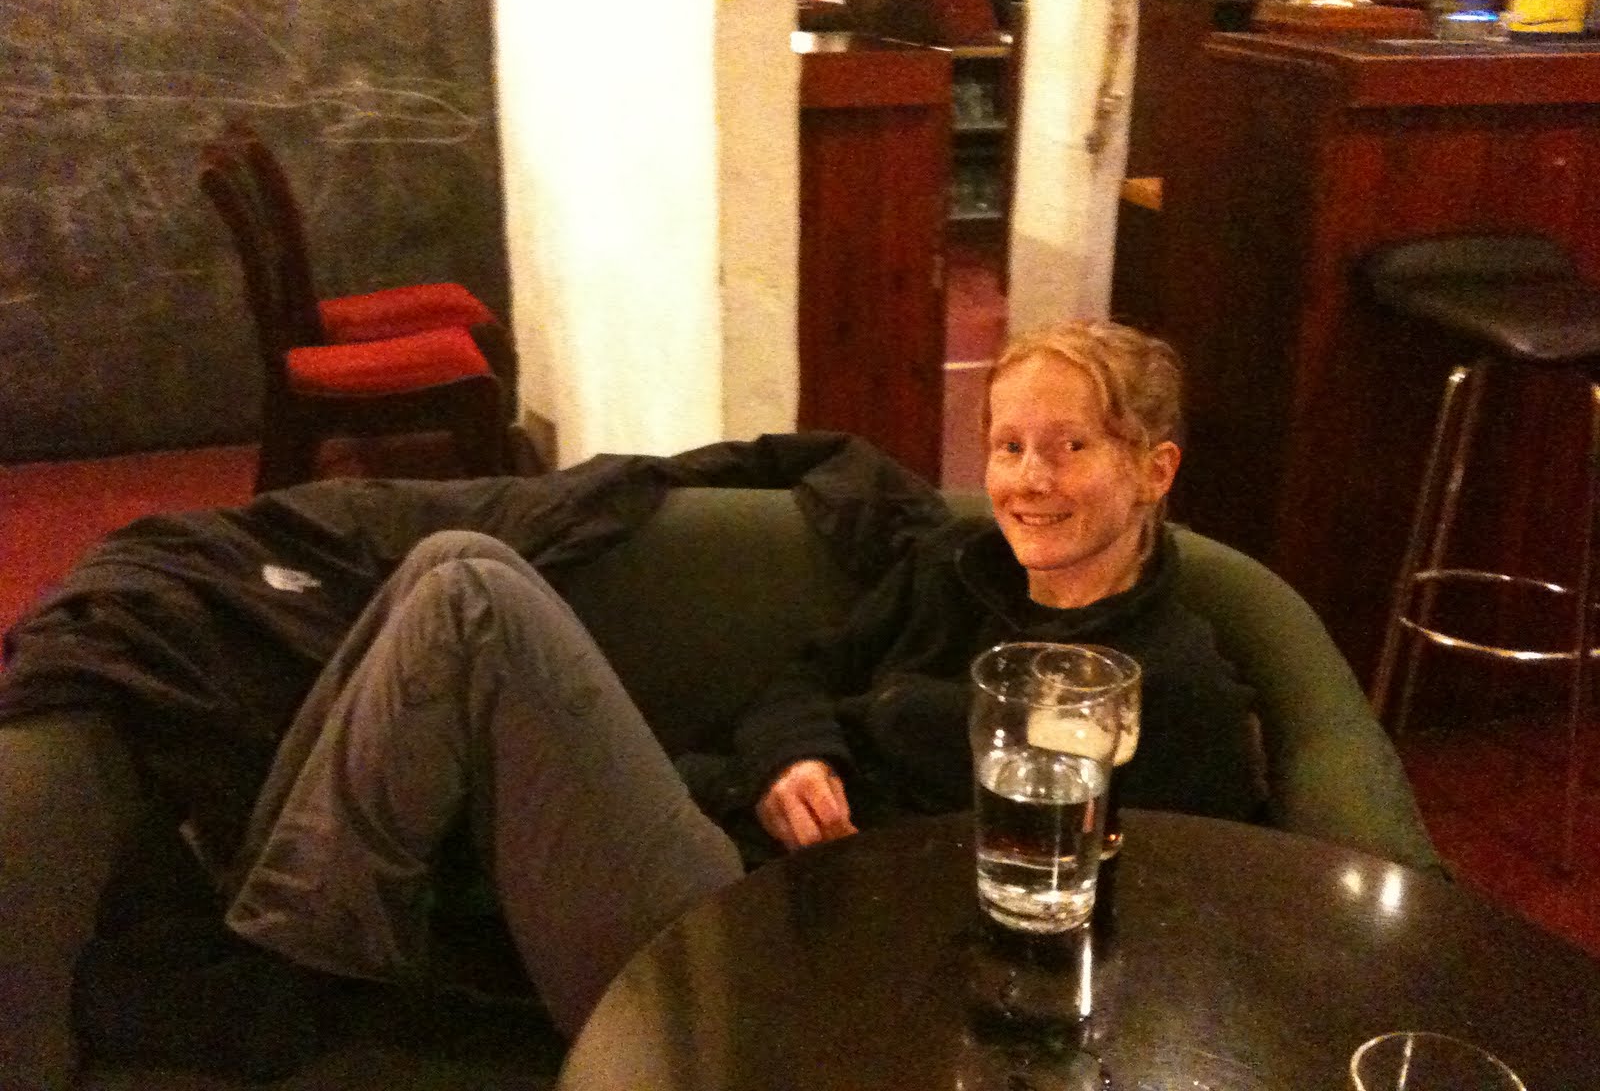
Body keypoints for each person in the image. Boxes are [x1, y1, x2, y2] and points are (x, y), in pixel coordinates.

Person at [208, 319, 1263, 1048]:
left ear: (1153, 470)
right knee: (448, 559)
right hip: (738, 858)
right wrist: (795, 757)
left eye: (1069, 447)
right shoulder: (957, 569)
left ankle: (287, 972)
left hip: (793, 972)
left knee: (470, 598)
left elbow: (1196, 917)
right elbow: (800, 679)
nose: (1028, 481)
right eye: (1008, 445)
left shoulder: (1168, 684)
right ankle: (276, 909)